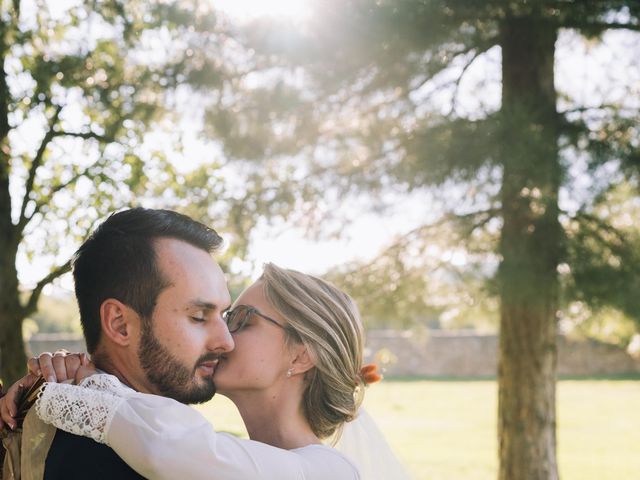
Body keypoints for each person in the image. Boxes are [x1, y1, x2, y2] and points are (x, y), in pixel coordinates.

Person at [1, 209, 373, 479]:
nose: (224, 340)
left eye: (237, 320)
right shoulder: (106, 455)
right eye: (200, 316)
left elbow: (169, 447)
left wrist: (74, 387)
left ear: (303, 354)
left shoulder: (315, 470)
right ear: (119, 323)